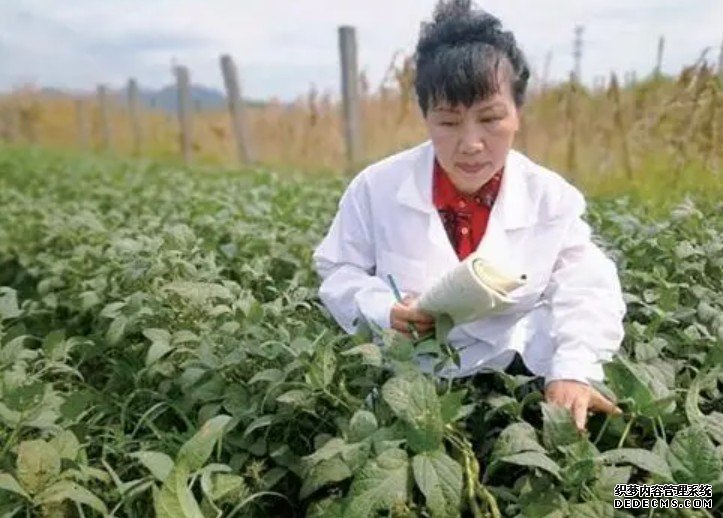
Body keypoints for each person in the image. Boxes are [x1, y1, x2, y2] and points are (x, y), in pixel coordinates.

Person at [312, 0, 626, 432]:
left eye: (491, 118)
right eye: (448, 122)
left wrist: (572, 368)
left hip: (522, 373)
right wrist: (383, 310)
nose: (471, 143)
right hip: (412, 378)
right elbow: (338, 270)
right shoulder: (376, 188)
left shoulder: (551, 198)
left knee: (631, 494)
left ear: (517, 113)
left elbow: (586, 285)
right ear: (425, 117)